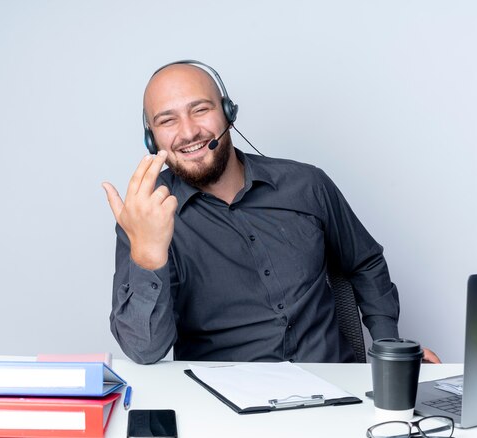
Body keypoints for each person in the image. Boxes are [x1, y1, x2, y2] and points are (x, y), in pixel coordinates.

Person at [103, 60, 440, 364]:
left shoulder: (306, 185)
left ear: (228, 112)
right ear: (152, 139)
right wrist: (148, 254)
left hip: (336, 393)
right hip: (223, 408)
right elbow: (144, 350)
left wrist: (389, 348)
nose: (189, 132)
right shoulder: (146, 217)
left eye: (200, 110)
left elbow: (364, 263)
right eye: (167, 120)